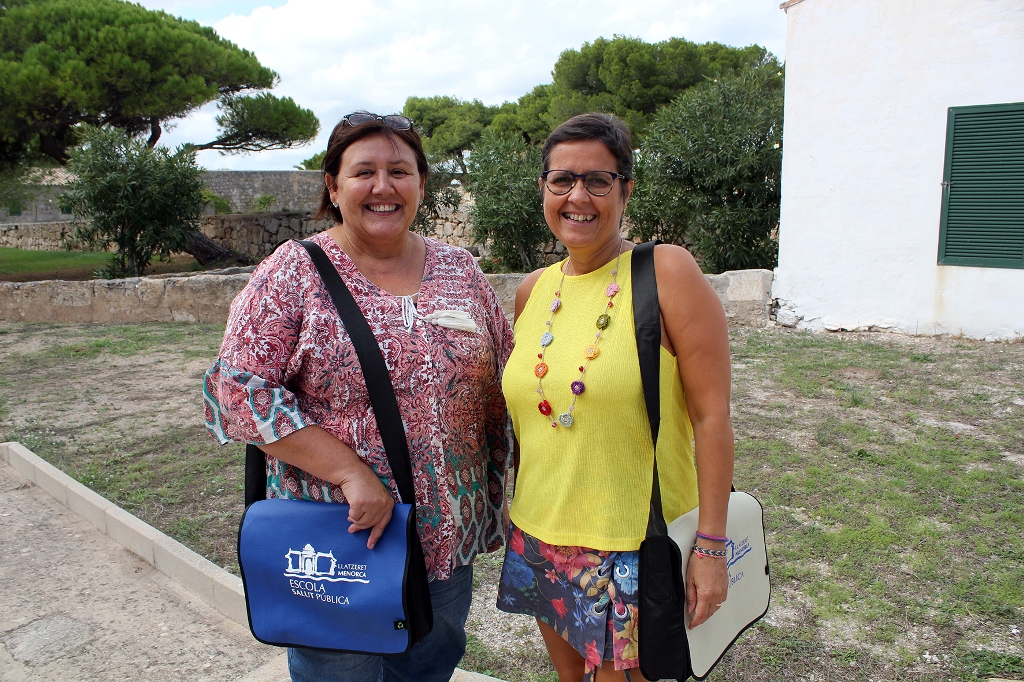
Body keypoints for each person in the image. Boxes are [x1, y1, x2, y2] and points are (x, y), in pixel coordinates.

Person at [203, 112, 513, 682]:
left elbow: (509, 373)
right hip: (346, 546)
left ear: (421, 183)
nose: (383, 186)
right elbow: (235, 389)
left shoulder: (460, 268)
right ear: (333, 186)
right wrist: (349, 472)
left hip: (447, 541)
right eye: (363, 171)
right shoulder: (295, 272)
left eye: (400, 170)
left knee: (428, 670)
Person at [496, 113, 735, 682]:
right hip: (540, 538)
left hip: (632, 547)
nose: (578, 196)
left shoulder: (666, 271)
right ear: (544, 190)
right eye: (562, 180)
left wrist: (711, 546)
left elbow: (712, 415)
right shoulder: (533, 291)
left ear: (625, 190)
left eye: (598, 181)